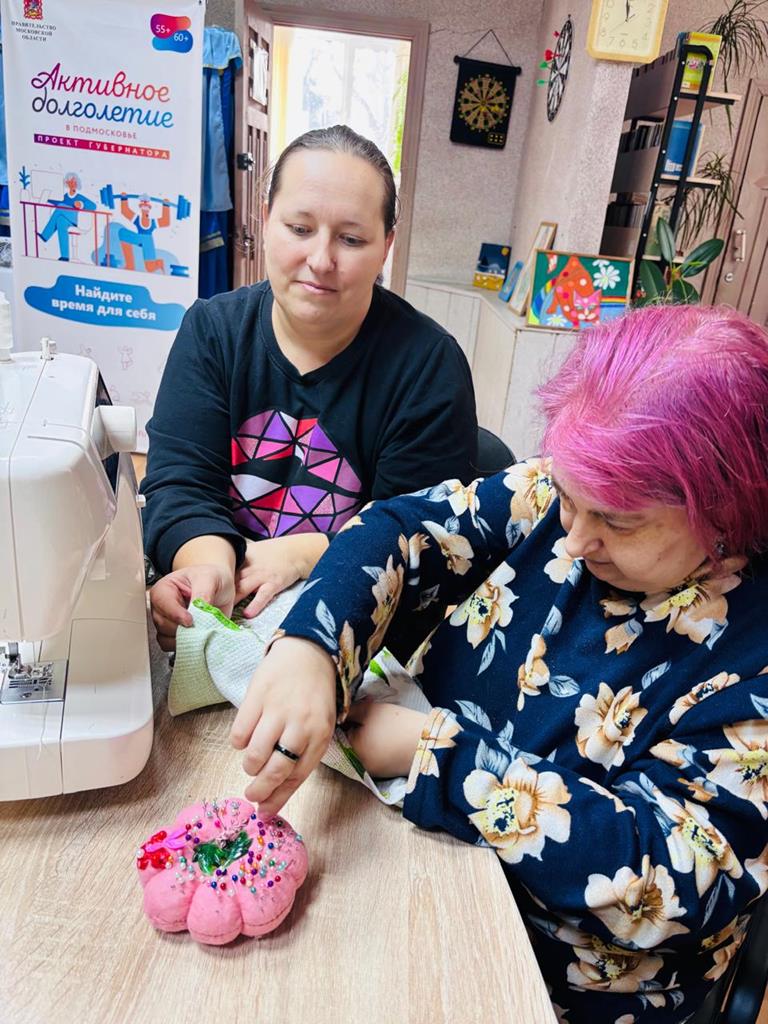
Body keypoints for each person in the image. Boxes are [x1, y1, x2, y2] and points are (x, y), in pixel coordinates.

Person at [231, 304, 768, 1023]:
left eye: (618, 522)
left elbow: (666, 881)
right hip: (421, 858)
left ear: (725, 510)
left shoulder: (753, 666)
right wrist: (313, 645)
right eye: (571, 501)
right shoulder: (564, 497)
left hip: (555, 980)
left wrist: (437, 755)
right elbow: (404, 530)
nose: (573, 541)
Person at [142, 125, 477, 654]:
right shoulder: (213, 333)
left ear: (386, 246)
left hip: (359, 630)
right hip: (230, 605)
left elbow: (425, 538)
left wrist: (304, 554)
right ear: (265, 220)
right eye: (299, 228)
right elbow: (179, 484)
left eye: (351, 239)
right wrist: (207, 567)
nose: (321, 260)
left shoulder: (428, 367)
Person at [37, 171, 96, 261]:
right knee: (60, 221)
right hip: (64, 219)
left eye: (74, 181)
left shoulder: (79, 197)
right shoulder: (64, 196)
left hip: (73, 220)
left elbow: (93, 206)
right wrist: (47, 198)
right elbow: (56, 201)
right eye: (71, 182)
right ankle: (65, 256)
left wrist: (81, 204)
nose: (73, 183)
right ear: (67, 183)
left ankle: (45, 235)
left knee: (61, 207)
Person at [118, 192, 171, 273]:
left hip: (147, 241)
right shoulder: (137, 219)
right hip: (139, 238)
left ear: (149, 209)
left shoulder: (152, 223)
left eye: (147, 207)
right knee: (123, 233)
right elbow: (125, 211)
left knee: (150, 268)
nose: (145, 208)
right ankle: (130, 265)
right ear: (140, 208)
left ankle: (159, 263)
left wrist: (165, 206)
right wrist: (124, 199)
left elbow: (165, 221)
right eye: (143, 206)